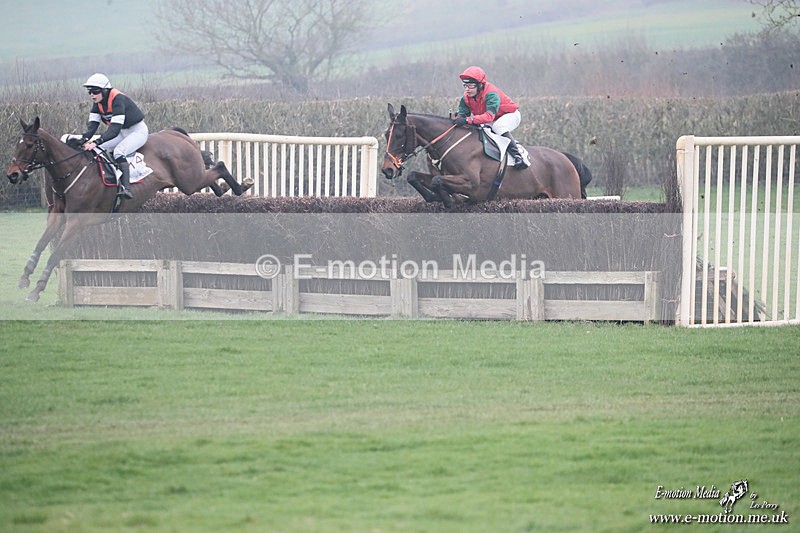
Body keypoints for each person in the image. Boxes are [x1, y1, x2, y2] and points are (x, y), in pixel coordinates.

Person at [80, 73, 148, 199]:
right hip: (122, 132)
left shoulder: (118, 100)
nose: (92, 95)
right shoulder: (97, 103)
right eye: (89, 92)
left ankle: (126, 188)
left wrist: (96, 141)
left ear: (105, 90)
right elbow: (92, 127)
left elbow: (114, 130)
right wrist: (82, 139)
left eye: (95, 91)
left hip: (137, 131)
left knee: (118, 152)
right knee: (96, 150)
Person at [452, 66, 530, 170]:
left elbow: (488, 117)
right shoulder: (466, 98)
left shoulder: (491, 94)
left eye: (470, 86)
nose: (467, 89)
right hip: (492, 119)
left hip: (510, 115)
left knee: (498, 127)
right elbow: (462, 115)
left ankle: (517, 156)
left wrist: (467, 120)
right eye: (465, 85)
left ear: (480, 85)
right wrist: (458, 119)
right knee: (477, 130)